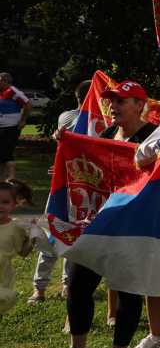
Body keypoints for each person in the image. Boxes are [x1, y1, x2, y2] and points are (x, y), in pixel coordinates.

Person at [48, 81, 160, 348]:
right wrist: (67, 142)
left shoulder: (154, 137)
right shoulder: (107, 135)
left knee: (127, 290)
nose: (112, 106)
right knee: (76, 284)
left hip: (133, 229)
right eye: (111, 101)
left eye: (121, 101)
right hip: (98, 224)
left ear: (139, 104)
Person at [29, 78, 91, 304]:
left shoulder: (101, 123)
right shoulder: (70, 117)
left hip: (82, 189)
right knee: (52, 234)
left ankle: (67, 285)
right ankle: (40, 288)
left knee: (72, 234)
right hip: (64, 186)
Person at [0, 178, 35, 315]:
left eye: (5, 202)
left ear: (14, 204)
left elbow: (23, 252)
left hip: (3, 279)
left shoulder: (16, 228)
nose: (0, 206)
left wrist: (33, 236)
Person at [0, 72, 30, 182]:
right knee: (2, 154)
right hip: (2, 128)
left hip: (11, 128)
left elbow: (28, 104)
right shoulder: (2, 93)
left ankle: (11, 178)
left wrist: (23, 120)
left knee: (7, 153)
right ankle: (2, 180)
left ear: (5, 81)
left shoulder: (13, 91)